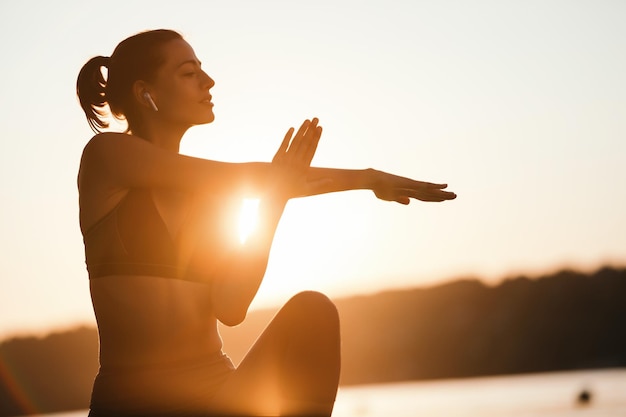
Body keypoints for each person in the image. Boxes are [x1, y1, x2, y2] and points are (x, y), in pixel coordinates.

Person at [76, 29, 456, 417]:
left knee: (313, 313)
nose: (208, 82)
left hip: (217, 395)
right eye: (189, 73)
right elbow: (251, 176)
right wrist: (365, 177)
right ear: (145, 93)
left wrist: (276, 199)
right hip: (131, 404)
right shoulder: (108, 155)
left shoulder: (208, 199)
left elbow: (231, 305)